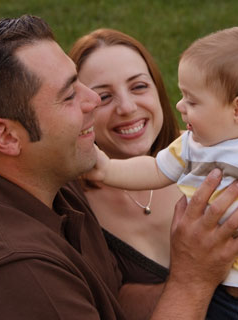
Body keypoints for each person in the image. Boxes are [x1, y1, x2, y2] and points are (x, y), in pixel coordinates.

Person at [0, 15, 238, 320]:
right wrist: (193, 277)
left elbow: (114, 296)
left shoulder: (55, 180)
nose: (93, 101)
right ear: (7, 136)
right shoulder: (24, 272)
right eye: (71, 94)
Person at [89, 26, 238, 318]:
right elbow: (155, 168)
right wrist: (107, 169)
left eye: (192, 101)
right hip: (221, 292)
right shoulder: (192, 144)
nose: (180, 105)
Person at [69, 28, 182, 283]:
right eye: (104, 97)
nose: (127, 108)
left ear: (158, 89)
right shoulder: (69, 203)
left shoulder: (210, 154)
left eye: (139, 86)